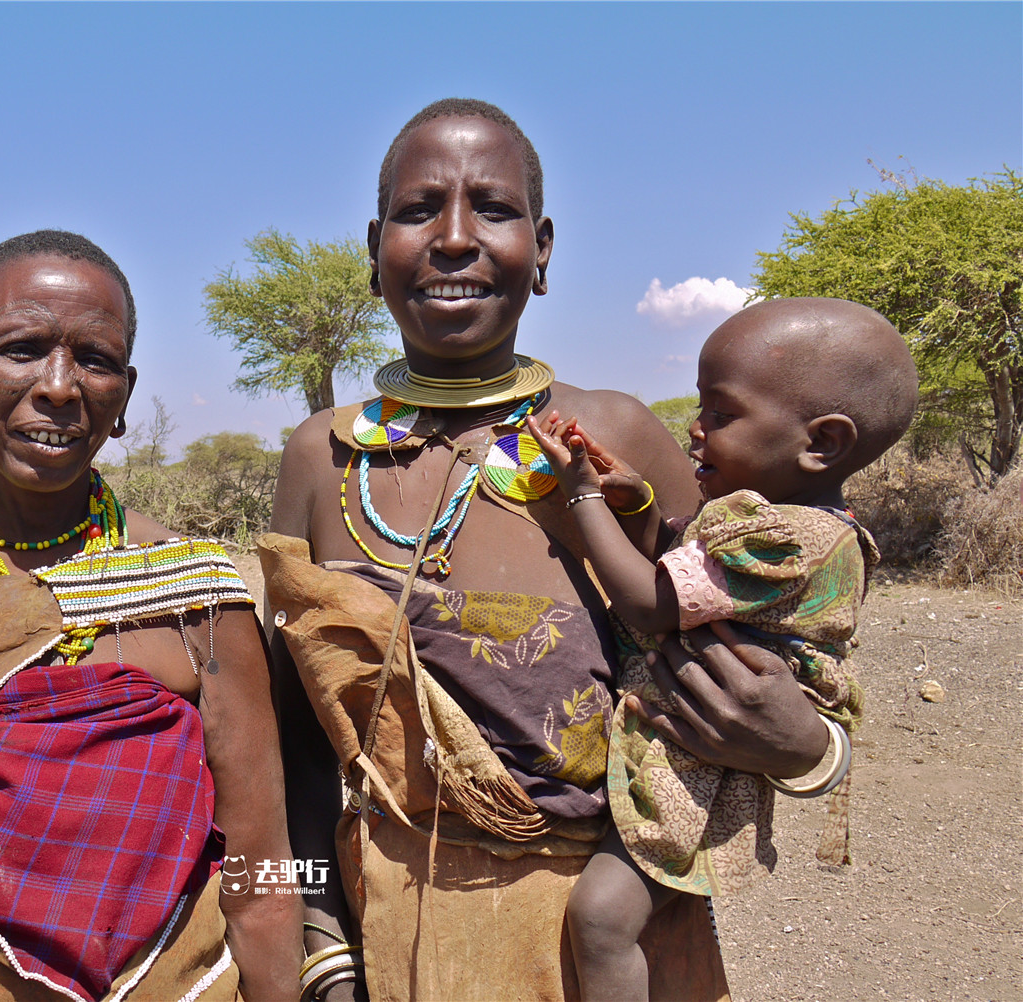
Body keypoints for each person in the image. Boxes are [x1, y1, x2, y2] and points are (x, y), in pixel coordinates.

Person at [261, 98, 840, 1002]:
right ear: (375, 250)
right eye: (419, 212)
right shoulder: (318, 458)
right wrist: (319, 940)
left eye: (493, 208)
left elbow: (785, 637)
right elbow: (290, 742)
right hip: (392, 932)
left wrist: (811, 750)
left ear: (544, 249)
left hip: (607, 942)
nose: (454, 238)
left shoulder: (617, 439)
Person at [0, 230, 302, 1001]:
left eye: (95, 360)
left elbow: (263, 875)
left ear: (125, 397)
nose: (60, 385)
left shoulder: (194, 593)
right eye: (23, 348)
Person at [526, 298, 917, 1001]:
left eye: (721, 412)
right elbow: (687, 569)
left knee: (602, 918)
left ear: (822, 442)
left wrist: (582, 497)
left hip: (690, 765)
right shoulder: (801, 523)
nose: (695, 428)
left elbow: (652, 601)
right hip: (691, 744)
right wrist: (639, 505)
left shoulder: (785, 541)